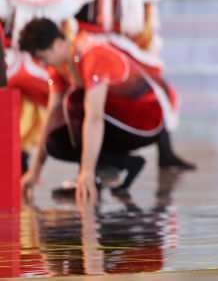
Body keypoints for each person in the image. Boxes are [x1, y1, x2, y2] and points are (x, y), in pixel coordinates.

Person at [18, 19, 178, 202]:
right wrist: (35, 171)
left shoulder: (92, 54)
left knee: (75, 100)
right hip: (114, 118)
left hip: (147, 122)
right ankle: (123, 164)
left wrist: (86, 172)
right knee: (54, 142)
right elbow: (52, 115)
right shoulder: (60, 66)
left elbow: (94, 117)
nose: (42, 64)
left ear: (58, 44)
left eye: (43, 58)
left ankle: (93, 176)